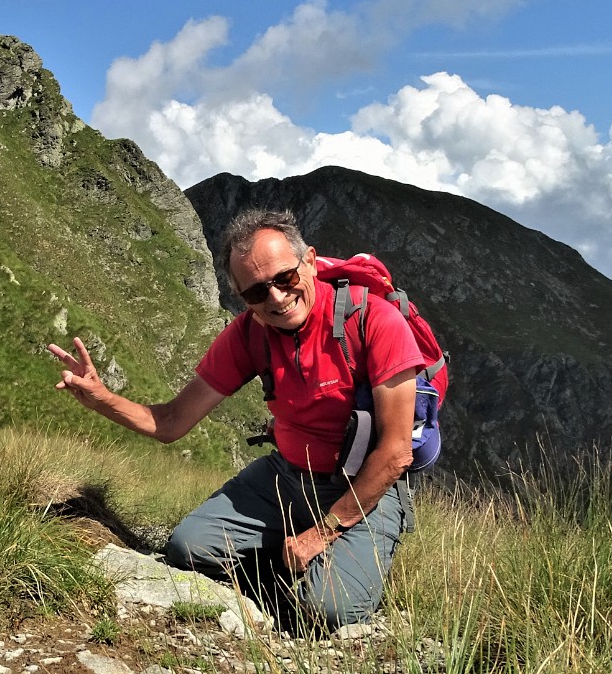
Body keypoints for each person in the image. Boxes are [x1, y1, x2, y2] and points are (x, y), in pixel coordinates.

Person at [48, 209, 423, 629]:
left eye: (285, 278)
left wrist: (322, 534)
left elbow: (395, 453)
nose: (277, 298)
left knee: (328, 610)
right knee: (188, 549)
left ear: (311, 261)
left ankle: (320, 567)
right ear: (242, 298)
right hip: (287, 474)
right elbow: (172, 422)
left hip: (364, 485)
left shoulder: (374, 320)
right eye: (257, 293)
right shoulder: (249, 334)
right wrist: (101, 399)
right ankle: (284, 567)